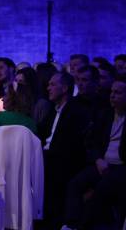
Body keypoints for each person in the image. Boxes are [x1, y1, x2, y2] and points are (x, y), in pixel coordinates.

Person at [62, 75, 126, 230]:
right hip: (102, 163)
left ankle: (83, 226)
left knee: (101, 190)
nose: (113, 95)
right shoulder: (106, 114)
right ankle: (71, 224)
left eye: (118, 93)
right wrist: (98, 160)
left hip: (123, 168)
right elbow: (92, 142)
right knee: (75, 184)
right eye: (112, 92)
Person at [37, 72, 91, 230]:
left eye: (53, 84)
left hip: (63, 161)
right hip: (47, 156)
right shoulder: (53, 110)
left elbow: (73, 146)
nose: (48, 88)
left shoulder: (76, 111)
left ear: (65, 88)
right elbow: (40, 132)